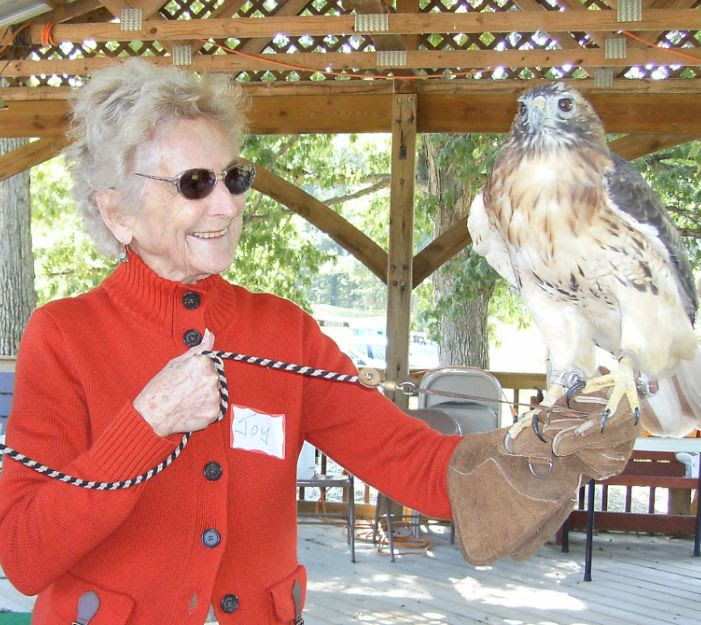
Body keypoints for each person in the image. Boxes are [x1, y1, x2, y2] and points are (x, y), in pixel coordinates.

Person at [0, 59, 638, 625]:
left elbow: (411, 460)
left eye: (234, 178)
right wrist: (147, 424)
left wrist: (535, 451)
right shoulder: (64, 336)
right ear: (117, 211)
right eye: (195, 183)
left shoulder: (284, 331)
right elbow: (26, 556)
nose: (227, 206)